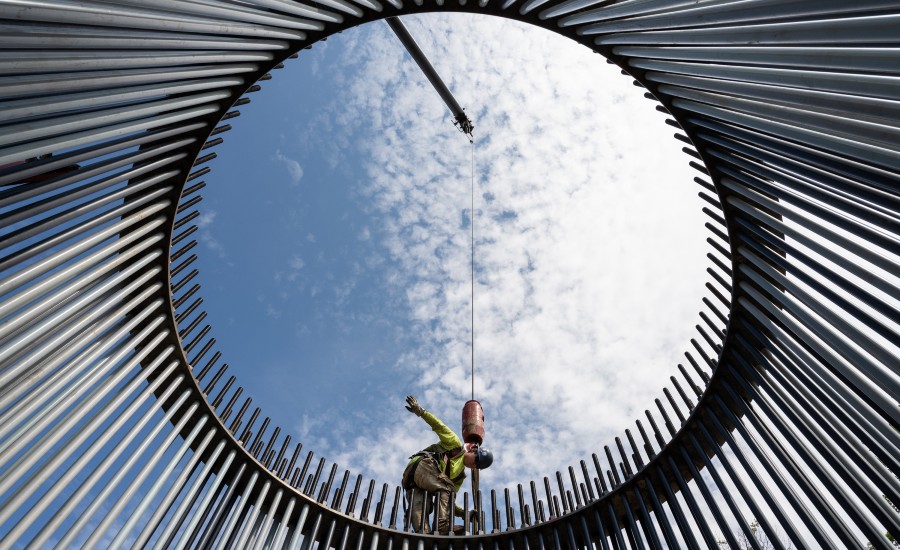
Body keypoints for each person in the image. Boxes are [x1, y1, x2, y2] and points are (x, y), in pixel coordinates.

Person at [401, 395, 493, 534]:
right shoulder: (454, 445)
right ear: (472, 450)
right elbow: (439, 426)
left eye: (477, 466)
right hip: (422, 465)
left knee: (421, 507)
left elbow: (447, 502)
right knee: (446, 488)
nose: (474, 466)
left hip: (411, 480)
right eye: (476, 460)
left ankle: (424, 535)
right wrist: (421, 412)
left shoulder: (458, 476)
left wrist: (464, 514)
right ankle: (443, 526)